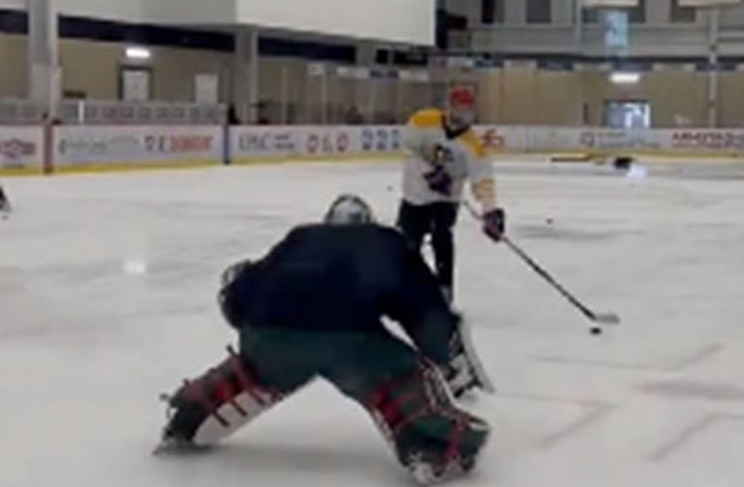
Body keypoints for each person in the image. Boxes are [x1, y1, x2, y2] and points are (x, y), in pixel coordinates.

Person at [155, 195, 492, 485]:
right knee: (403, 374)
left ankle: (190, 414)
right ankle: (432, 444)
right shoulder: (385, 241)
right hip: (348, 343)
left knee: (255, 368)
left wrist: (259, 339)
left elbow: (238, 296)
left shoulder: (299, 238)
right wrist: (443, 357)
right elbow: (422, 306)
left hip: (269, 334)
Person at [399, 86, 505, 303]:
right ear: (449, 107)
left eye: (468, 110)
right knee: (407, 242)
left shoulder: (473, 145)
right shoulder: (423, 120)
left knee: (442, 237)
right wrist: (428, 173)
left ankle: (444, 288)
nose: (464, 114)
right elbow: (408, 150)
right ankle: (401, 285)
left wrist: (490, 210)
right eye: (459, 108)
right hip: (415, 194)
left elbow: (482, 179)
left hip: (446, 198)